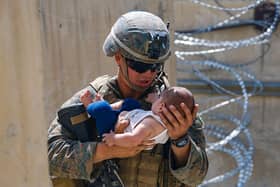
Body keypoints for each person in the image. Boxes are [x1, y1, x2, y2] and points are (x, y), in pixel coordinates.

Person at [48, 10, 208, 187]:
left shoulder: (173, 108)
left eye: (155, 66)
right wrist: (106, 150)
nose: (148, 73)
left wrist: (180, 140)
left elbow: (196, 178)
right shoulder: (90, 102)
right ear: (118, 58)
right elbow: (50, 158)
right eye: (139, 66)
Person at [80, 87, 195, 150]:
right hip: (129, 117)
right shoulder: (164, 123)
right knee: (132, 103)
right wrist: (155, 99)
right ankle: (109, 108)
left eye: (159, 98)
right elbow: (157, 109)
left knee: (102, 108)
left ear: (161, 106)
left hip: (112, 129)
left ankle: (90, 106)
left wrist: (114, 138)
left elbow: (134, 140)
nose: (157, 98)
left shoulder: (149, 125)